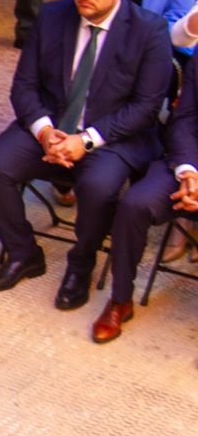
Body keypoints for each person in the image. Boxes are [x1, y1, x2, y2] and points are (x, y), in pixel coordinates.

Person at [0, 0, 172, 306]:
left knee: (98, 187)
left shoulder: (149, 31)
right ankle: (23, 253)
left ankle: (81, 264)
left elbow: (145, 108)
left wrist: (86, 140)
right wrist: (45, 132)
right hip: (51, 128)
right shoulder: (52, 16)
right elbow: (24, 86)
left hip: (112, 139)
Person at [92, 69, 198, 341]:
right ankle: (120, 300)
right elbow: (184, 120)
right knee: (134, 205)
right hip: (189, 165)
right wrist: (189, 171)